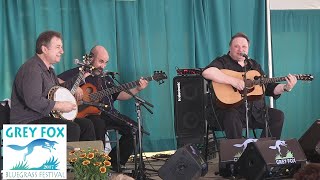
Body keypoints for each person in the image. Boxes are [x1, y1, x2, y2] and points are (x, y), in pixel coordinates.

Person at [58, 45, 149, 172]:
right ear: (90, 59)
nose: (103, 66)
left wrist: (137, 88)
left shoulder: (106, 78)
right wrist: (76, 85)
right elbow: (57, 82)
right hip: (91, 114)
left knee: (135, 129)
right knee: (97, 124)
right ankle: (96, 164)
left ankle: (113, 162)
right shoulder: (79, 72)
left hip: (110, 113)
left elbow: (120, 95)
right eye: (101, 61)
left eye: (105, 62)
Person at [202, 32, 297, 139]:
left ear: (248, 48)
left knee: (277, 116)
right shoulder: (222, 61)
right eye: (236, 46)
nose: (240, 49)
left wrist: (285, 87)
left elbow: (269, 87)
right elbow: (207, 72)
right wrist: (233, 81)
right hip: (228, 112)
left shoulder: (254, 65)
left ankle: (264, 150)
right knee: (232, 116)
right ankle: (237, 153)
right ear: (230, 47)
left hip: (254, 113)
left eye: (244, 46)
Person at [10, 30, 96, 142]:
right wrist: (59, 106)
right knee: (71, 129)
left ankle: (85, 159)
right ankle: (66, 160)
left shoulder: (49, 70)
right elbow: (33, 101)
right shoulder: (32, 69)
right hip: (27, 122)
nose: (62, 51)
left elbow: (59, 90)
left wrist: (81, 76)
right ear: (44, 49)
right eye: (58, 47)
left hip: (43, 117)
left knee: (87, 125)